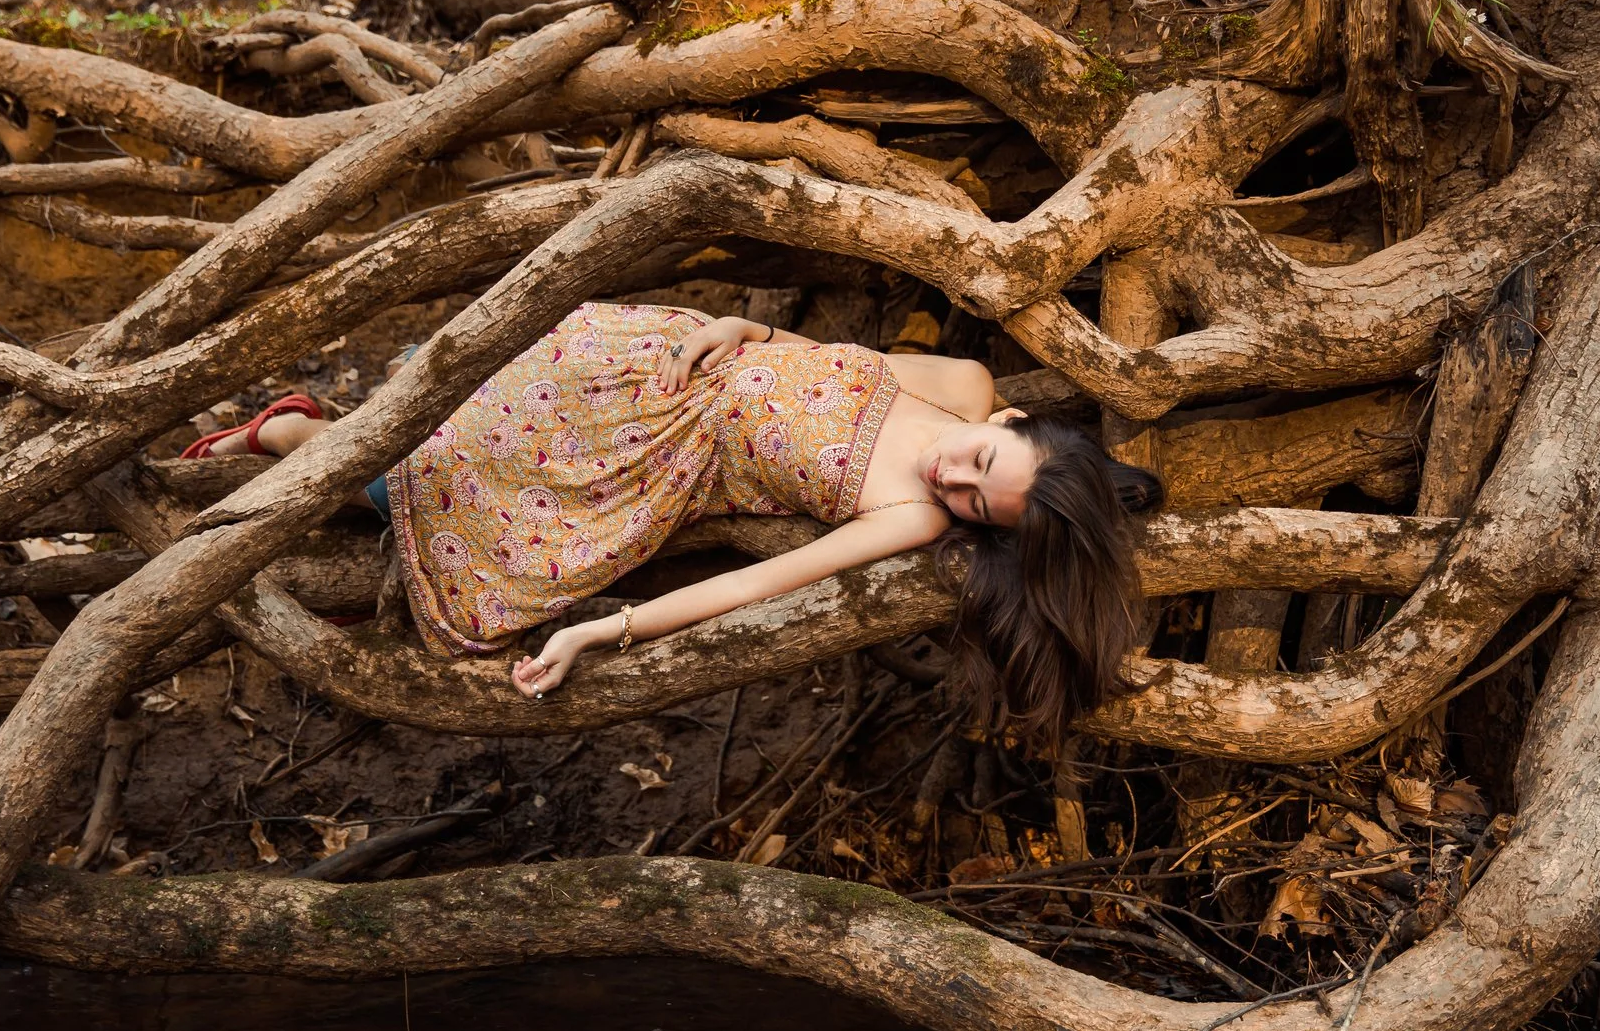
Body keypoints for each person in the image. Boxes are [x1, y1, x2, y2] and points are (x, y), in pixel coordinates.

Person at [183, 302, 1162, 754]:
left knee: (455, 507)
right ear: (1000, 426)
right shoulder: (964, 384)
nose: (950, 476)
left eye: (969, 502)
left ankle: (294, 433)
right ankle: (308, 434)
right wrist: (748, 333)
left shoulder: (906, 516)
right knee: (457, 416)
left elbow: (746, 589)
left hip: (649, 463)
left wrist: (594, 630)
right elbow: (820, 355)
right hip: (650, 361)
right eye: (977, 463)